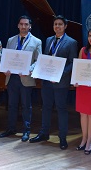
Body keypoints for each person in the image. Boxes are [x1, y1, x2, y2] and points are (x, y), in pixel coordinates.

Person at [29, 15, 77, 150]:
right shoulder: (49, 39)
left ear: (65, 26)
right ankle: (44, 133)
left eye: (60, 24)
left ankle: (62, 138)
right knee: (46, 107)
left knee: (61, 109)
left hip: (60, 82)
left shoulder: (71, 42)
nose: (57, 27)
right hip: (46, 81)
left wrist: (59, 74)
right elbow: (46, 60)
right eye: (55, 24)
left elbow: (72, 63)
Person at [0, 15, 42, 142]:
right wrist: (5, 68)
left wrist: (29, 70)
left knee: (26, 105)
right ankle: (11, 128)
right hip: (11, 77)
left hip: (26, 78)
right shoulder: (11, 40)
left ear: (30, 26)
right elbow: (6, 57)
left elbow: (38, 60)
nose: (23, 26)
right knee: (11, 104)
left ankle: (26, 130)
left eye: (26, 24)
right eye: (21, 24)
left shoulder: (37, 41)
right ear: (18, 25)